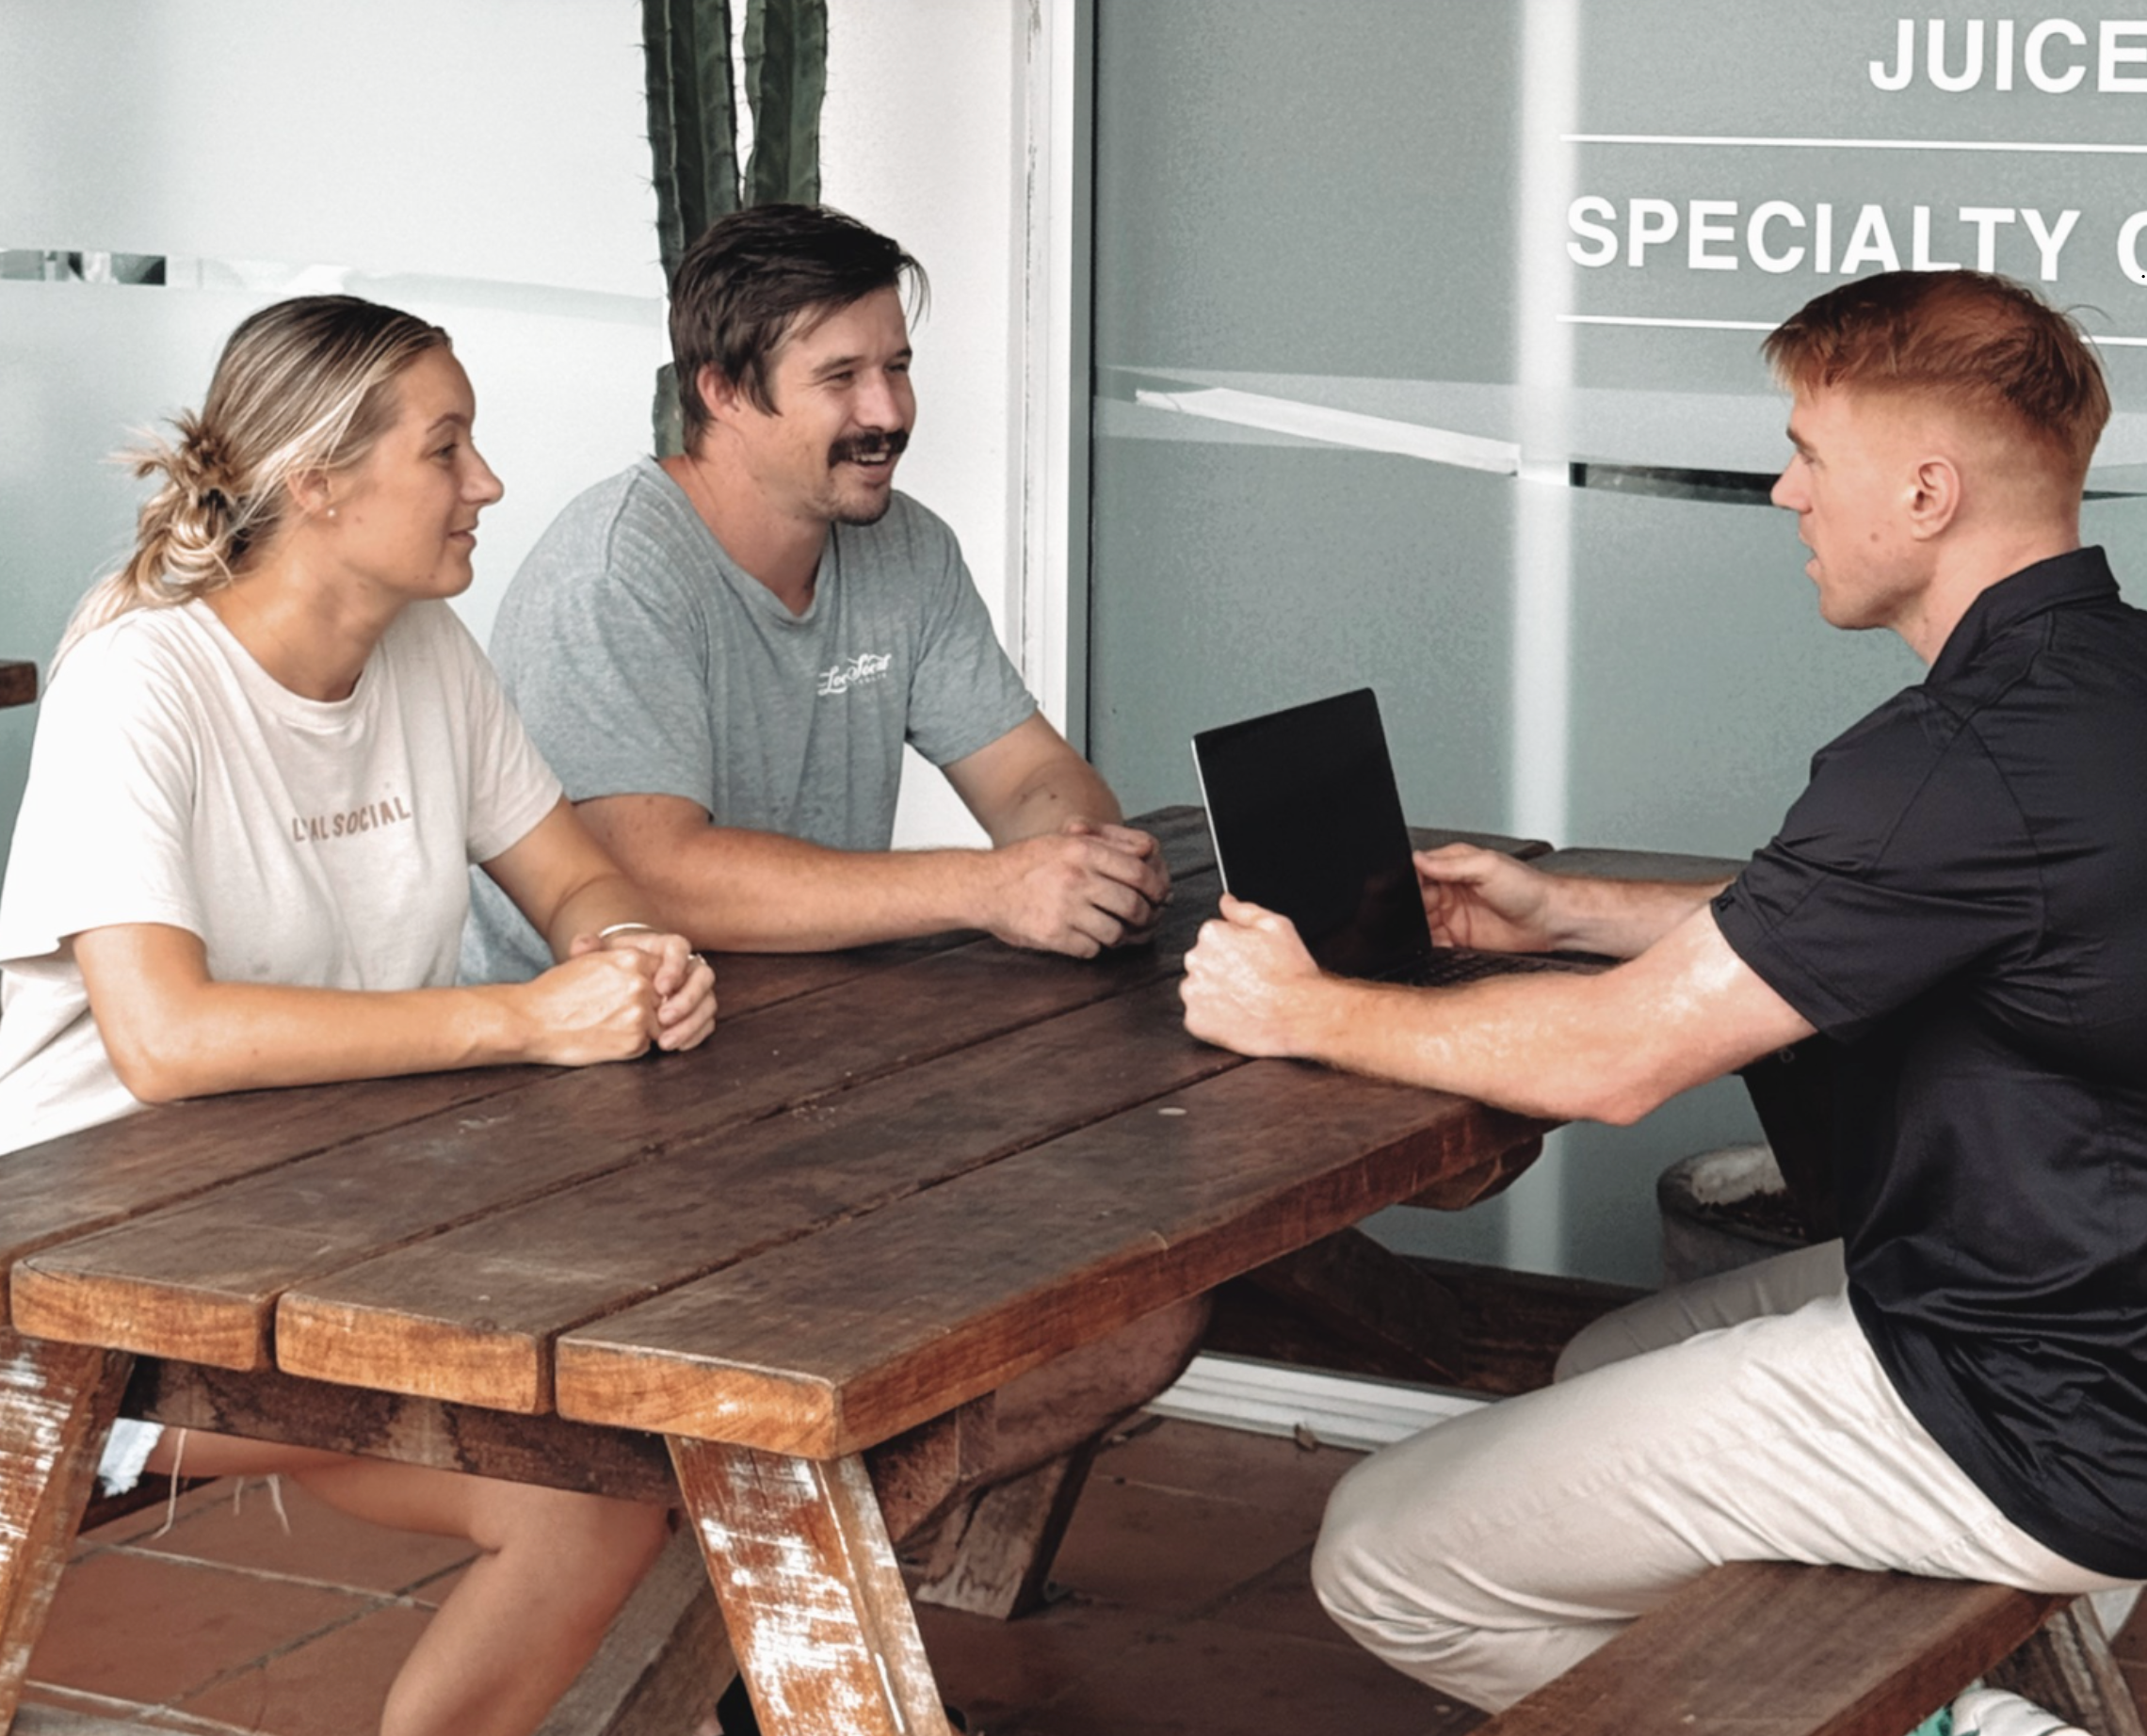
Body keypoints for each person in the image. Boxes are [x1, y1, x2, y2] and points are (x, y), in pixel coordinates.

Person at [1179, 268, 2147, 1713]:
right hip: (2083, 1294)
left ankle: (1952, 1719)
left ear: (1929, 494)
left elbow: (1619, 1065)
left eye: (1812, 454)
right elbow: (1893, 919)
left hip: (2039, 1404)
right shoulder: (2100, 687)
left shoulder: (1956, 758)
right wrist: (1563, 908)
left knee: (1383, 1554)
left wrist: (1297, 1008)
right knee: (1603, 1356)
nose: (1783, 494)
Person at [0, 295, 718, 1736]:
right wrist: (524, 1021)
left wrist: (634, 950)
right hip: (81, 1274)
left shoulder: (425, 653)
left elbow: (576, 874)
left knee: (603, 1495)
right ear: (319, 485)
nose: (489, 485)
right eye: (447, 449)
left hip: (315, 1235)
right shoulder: (140, 680)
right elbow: (167, 1037)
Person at [459, 201, 1170, 979]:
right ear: (723, 392)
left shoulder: (909, 547)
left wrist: (1089, 867)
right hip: (577, 1056)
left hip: (809, 1019)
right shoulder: (613, 575)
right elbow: (648, 876)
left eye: (897, 367)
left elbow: (1027, 774)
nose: (889, 412)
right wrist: (991, 887)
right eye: (841, 378)